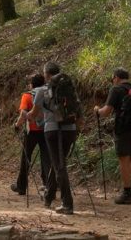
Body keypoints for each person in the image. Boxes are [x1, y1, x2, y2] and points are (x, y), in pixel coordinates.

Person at [27, 62, 83, 215]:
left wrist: (27, 116)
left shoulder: (42, 90)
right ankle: (49, 196)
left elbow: (33, 113)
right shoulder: (70, 89)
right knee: (57, 162)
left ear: (46, 74)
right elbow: (79, 112)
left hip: (52, 130)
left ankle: (67, 204)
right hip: (70, 130)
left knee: (59, 166)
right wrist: (76, 129)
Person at [94, 68, 131, 204]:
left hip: (123, 129)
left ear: (116, 77)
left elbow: (106, 112)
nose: (113, 81)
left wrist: (97, 111)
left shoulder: (116, 90)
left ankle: (127, 193)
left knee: (123, 159)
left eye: (113, 79)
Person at [11, 74, 51, 196]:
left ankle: (21, 186)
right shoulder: (48, 94)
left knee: (26, 158)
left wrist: (17, 125)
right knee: (46, 159)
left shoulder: (27, 96)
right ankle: (49, 185)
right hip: (46, 129)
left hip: (32, 131)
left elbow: (23, 114)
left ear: (32, 84)